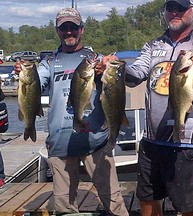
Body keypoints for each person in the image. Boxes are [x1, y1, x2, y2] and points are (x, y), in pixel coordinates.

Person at [99, 0, 193, 215]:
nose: (175, 12)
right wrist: (116, 67)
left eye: (181, 8)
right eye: (170, 8)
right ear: (165, 12)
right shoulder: (153, 45)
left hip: (187, 141)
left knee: (189, 206)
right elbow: (135, 75)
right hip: (151, 139)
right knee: (147, 199)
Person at [37, 8, 128, 215]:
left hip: (95, 142)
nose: (69, 32)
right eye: (64, 28)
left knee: (114, 202)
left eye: (73, 27)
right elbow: (36, 84)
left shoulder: (96, 59)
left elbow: (116, 80)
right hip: (60, 144)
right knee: (64, 208)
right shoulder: (49, 62)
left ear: (82, 30)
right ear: (58, 31)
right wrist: (25, 73)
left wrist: (103, 71)